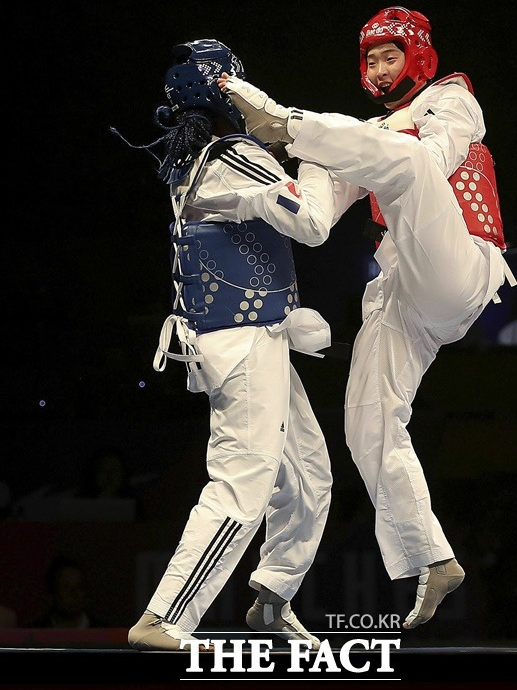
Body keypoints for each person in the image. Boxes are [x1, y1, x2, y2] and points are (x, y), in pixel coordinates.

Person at [218, 6, 517, 630]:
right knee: (367, 421)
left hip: (459, 265)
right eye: (371, 60)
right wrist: (275, 194)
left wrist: (314, 133)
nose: (381, 69)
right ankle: (430, 558)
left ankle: (285, 123)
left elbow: (428, 162)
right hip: (402, 287)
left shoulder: (451, 98)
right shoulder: (369, 135)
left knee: (396, 162)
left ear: (419, 56)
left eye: (391, 56)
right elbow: (349, 167)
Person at [115, 39, 339, 651]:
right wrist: (323, 155)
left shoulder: (202, 158)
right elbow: (312, 224)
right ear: (228, 92)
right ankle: (164, 619)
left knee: (309, 474)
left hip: (252, 339)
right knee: (244, 479)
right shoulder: (234, 155)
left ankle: (271, 599)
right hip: (242, 348)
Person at [30, 555, 104, 628]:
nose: (74, 594)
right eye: (65, 588)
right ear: (51, 595)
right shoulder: (35, 632)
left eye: (79, 587)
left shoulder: (103, 633)